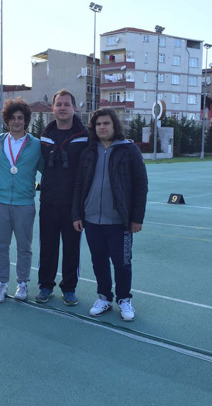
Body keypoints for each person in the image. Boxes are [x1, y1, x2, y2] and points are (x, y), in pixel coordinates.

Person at [72, 108, 148, 321]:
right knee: (98, 261)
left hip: (119, 221)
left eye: (106, 123)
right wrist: (77, 214)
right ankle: (104, 297)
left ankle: (124, 299)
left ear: (115, 126)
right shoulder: (89, 151)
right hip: (92, 218)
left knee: (122, 262)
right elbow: (79, 184)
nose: (102, 127)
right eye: (98, 124)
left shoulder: (128, 150)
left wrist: (136, 218)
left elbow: (141, 185)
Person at [36, 89, 88, 305]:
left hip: (73, 206)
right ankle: (45, 286)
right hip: (48, 202)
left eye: (67, 104)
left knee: (71, 248)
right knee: (47, 247)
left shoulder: (85, 137)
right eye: (59, 104)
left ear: (74, 108)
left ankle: (69, 288)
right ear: (52, 109)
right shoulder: (44, 136)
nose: (63, 108)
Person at [0, 98, 43, 303]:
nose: (16, 122)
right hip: (1, 202)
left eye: (20, 118)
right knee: (0, 246)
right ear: (7, 120)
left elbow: (47, 171)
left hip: (24, 204)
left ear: (26, 120)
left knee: (24, 246)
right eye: (12, 118)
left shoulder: (36, 145)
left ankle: (22, 283)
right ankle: (2, 282)